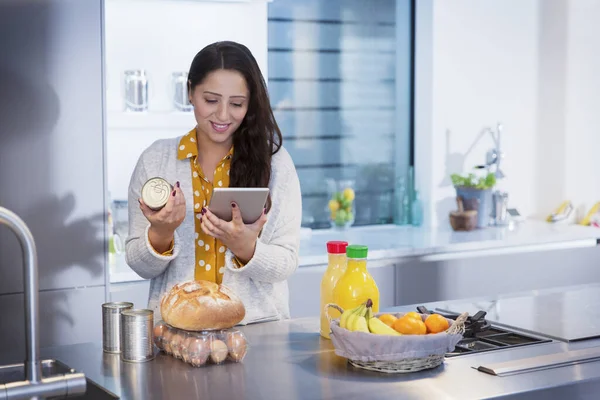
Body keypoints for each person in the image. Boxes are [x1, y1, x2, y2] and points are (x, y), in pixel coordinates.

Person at [125, 41, 302, 324]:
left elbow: (286, 262)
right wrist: (161, 232)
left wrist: (246, 246)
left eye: (236, 104)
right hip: (177, 335)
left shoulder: (276, 163)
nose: (222, 115)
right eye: (211, 100)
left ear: (250, 103)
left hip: (255, 333)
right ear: (190, 92)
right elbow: (138, 264)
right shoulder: (156, 160)